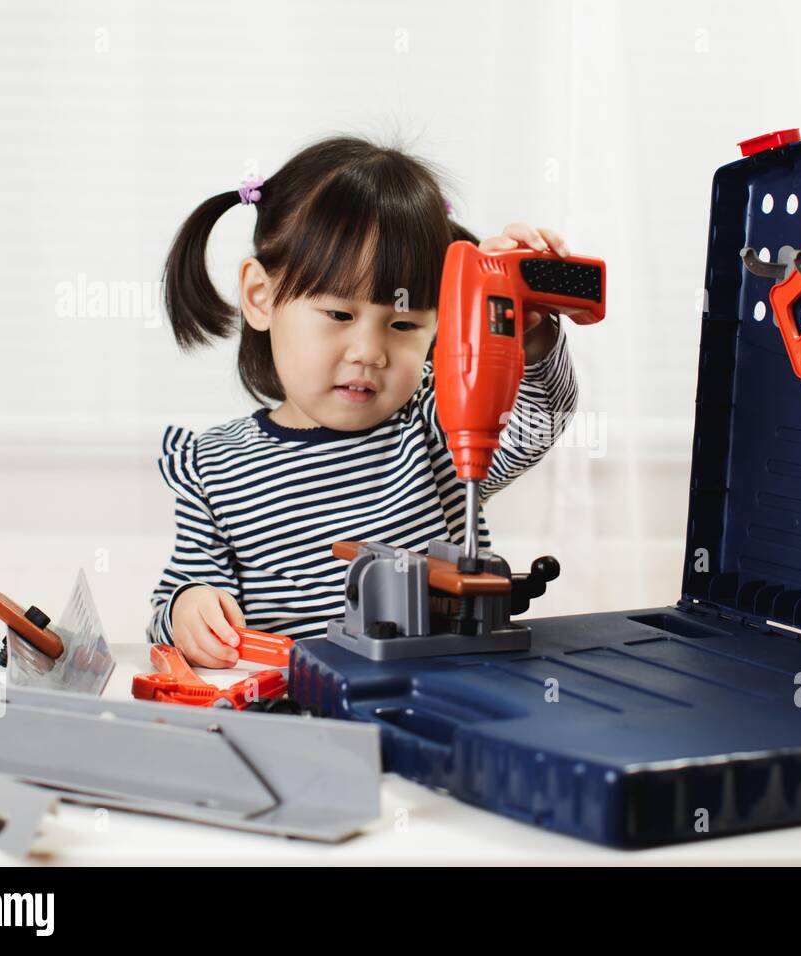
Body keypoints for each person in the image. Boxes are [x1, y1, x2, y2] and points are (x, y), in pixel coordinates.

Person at [147, 136, 580, 667]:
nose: (369, 352)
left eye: (402, 324)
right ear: (261, 297)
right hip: (301, 716)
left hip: (441, 697)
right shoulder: (211, 465)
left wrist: (529, 334)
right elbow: (176, 598)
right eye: (338, 315)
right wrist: (187, 609)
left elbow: (539, 422)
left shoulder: (440, 426)